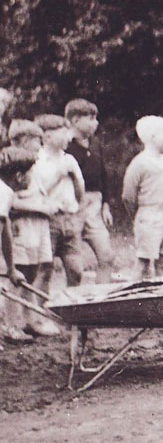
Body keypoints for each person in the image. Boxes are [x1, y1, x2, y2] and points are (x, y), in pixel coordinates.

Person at [7, 122, 58, 337]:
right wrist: (40, 209)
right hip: (21, 228)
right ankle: (11, 324)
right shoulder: (11, 167)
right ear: (24, 140)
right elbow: (10, 202)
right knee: (18, 275)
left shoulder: (33, 167)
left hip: (38, 228)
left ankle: (31, 320)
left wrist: (48, 207)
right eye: (38, 140)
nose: (41, 144)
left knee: (34, 271)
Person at [64, 99, 117, 282]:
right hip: (73, 206)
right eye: (91, 118)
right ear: (75, 120)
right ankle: (73, 304)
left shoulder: (96, 144)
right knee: (75, 265)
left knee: (107, 255)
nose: (96, 123)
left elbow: (103, 176)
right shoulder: (65, 146)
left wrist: (106, 205)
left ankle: (102, 300)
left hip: (95, 206)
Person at [33, 114, 88, 286]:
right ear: (47, 137)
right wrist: (58, 174)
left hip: (69, 219)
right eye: (62, 133)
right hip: (48, 221)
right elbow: (37, 193)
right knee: (44, 269)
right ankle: (41, 310)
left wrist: (78, 214)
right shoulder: (37, 161)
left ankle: (70, 308)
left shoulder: (69, 159)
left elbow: (81, 191)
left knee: (76, 270)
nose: (67, 137)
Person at [122, 116, 163, 280]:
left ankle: (159, 295)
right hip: (149, 214)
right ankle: (135, 296)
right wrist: (139, 216)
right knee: (145, 259)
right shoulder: (139, 163)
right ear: (153, 137)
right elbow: (128, 195)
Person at [0, 147, 38, 345]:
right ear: (19, 176)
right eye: (31, 173)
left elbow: (4, 230)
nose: (33, 177)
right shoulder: (4, 192)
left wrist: (11, 268)